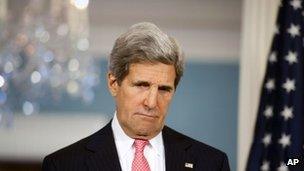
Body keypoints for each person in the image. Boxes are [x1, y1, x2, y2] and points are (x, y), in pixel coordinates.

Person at [42, 22, 230, 171]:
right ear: (114, 84)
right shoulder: (64, 165)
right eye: (141, 85)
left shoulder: (211, 163)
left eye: (164, 89)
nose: (151, 102)